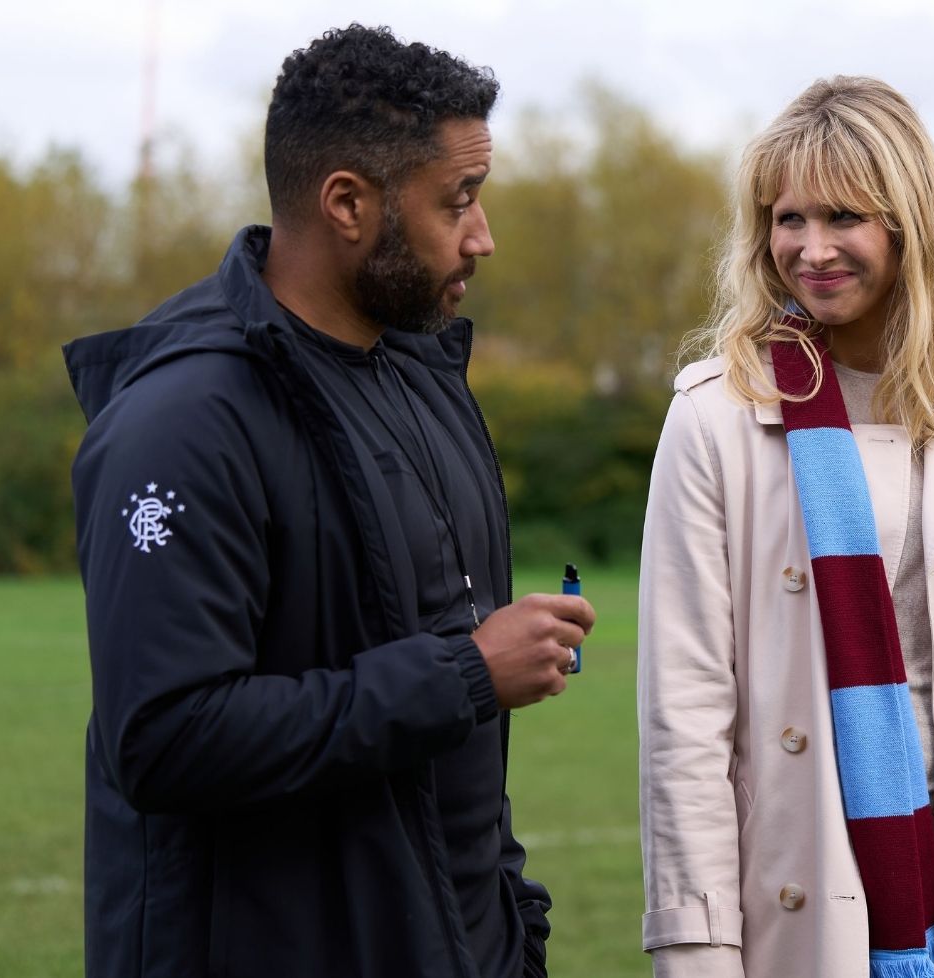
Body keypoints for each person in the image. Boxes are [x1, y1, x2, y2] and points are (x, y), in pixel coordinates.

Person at [64, 25, 594, 978]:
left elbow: (453, 753)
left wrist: (512, 928)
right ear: (347, 202)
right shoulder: (182, 419)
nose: (484, 235)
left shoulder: (422, 373)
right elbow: (166, 739)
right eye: (458, 201)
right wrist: (466, 673)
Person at [637, 76, 934, 978]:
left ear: (909, 225)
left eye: (844, 219)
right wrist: (696, 940)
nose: (811, 250)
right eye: (788, 220)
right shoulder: (715, 416)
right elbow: (686, 714)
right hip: (807, 853)